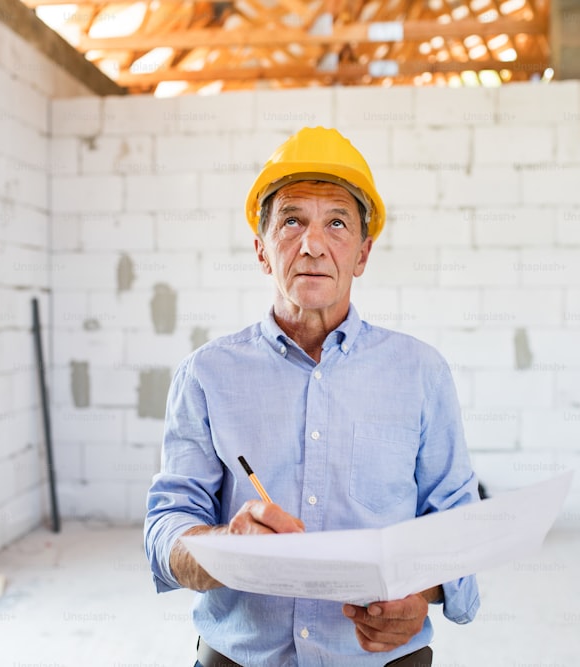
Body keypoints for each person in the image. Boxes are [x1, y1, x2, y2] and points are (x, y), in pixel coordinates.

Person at [144, 127, 480, 667]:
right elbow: (166, 529)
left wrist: (424, 595)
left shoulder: (422, 373)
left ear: (363, 253)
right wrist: (225, 547)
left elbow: (459, 526)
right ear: (261, 249)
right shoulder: (205, 374)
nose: (312, 244)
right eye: (292, 220)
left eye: (338, 223)